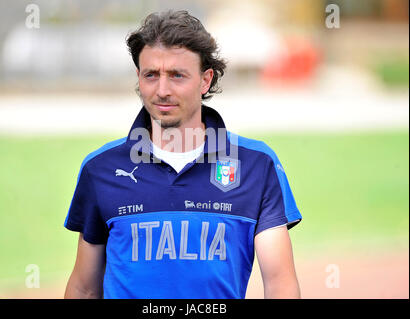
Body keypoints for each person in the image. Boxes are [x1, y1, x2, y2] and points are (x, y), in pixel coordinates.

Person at [64, 10, 302, 299]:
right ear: (139, 77)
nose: (162, 90)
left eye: (177, 75)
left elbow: (279, 285)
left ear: (205, 80)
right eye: (151, 75)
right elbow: (85, 289)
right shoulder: (100, 168)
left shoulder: (257, 165)